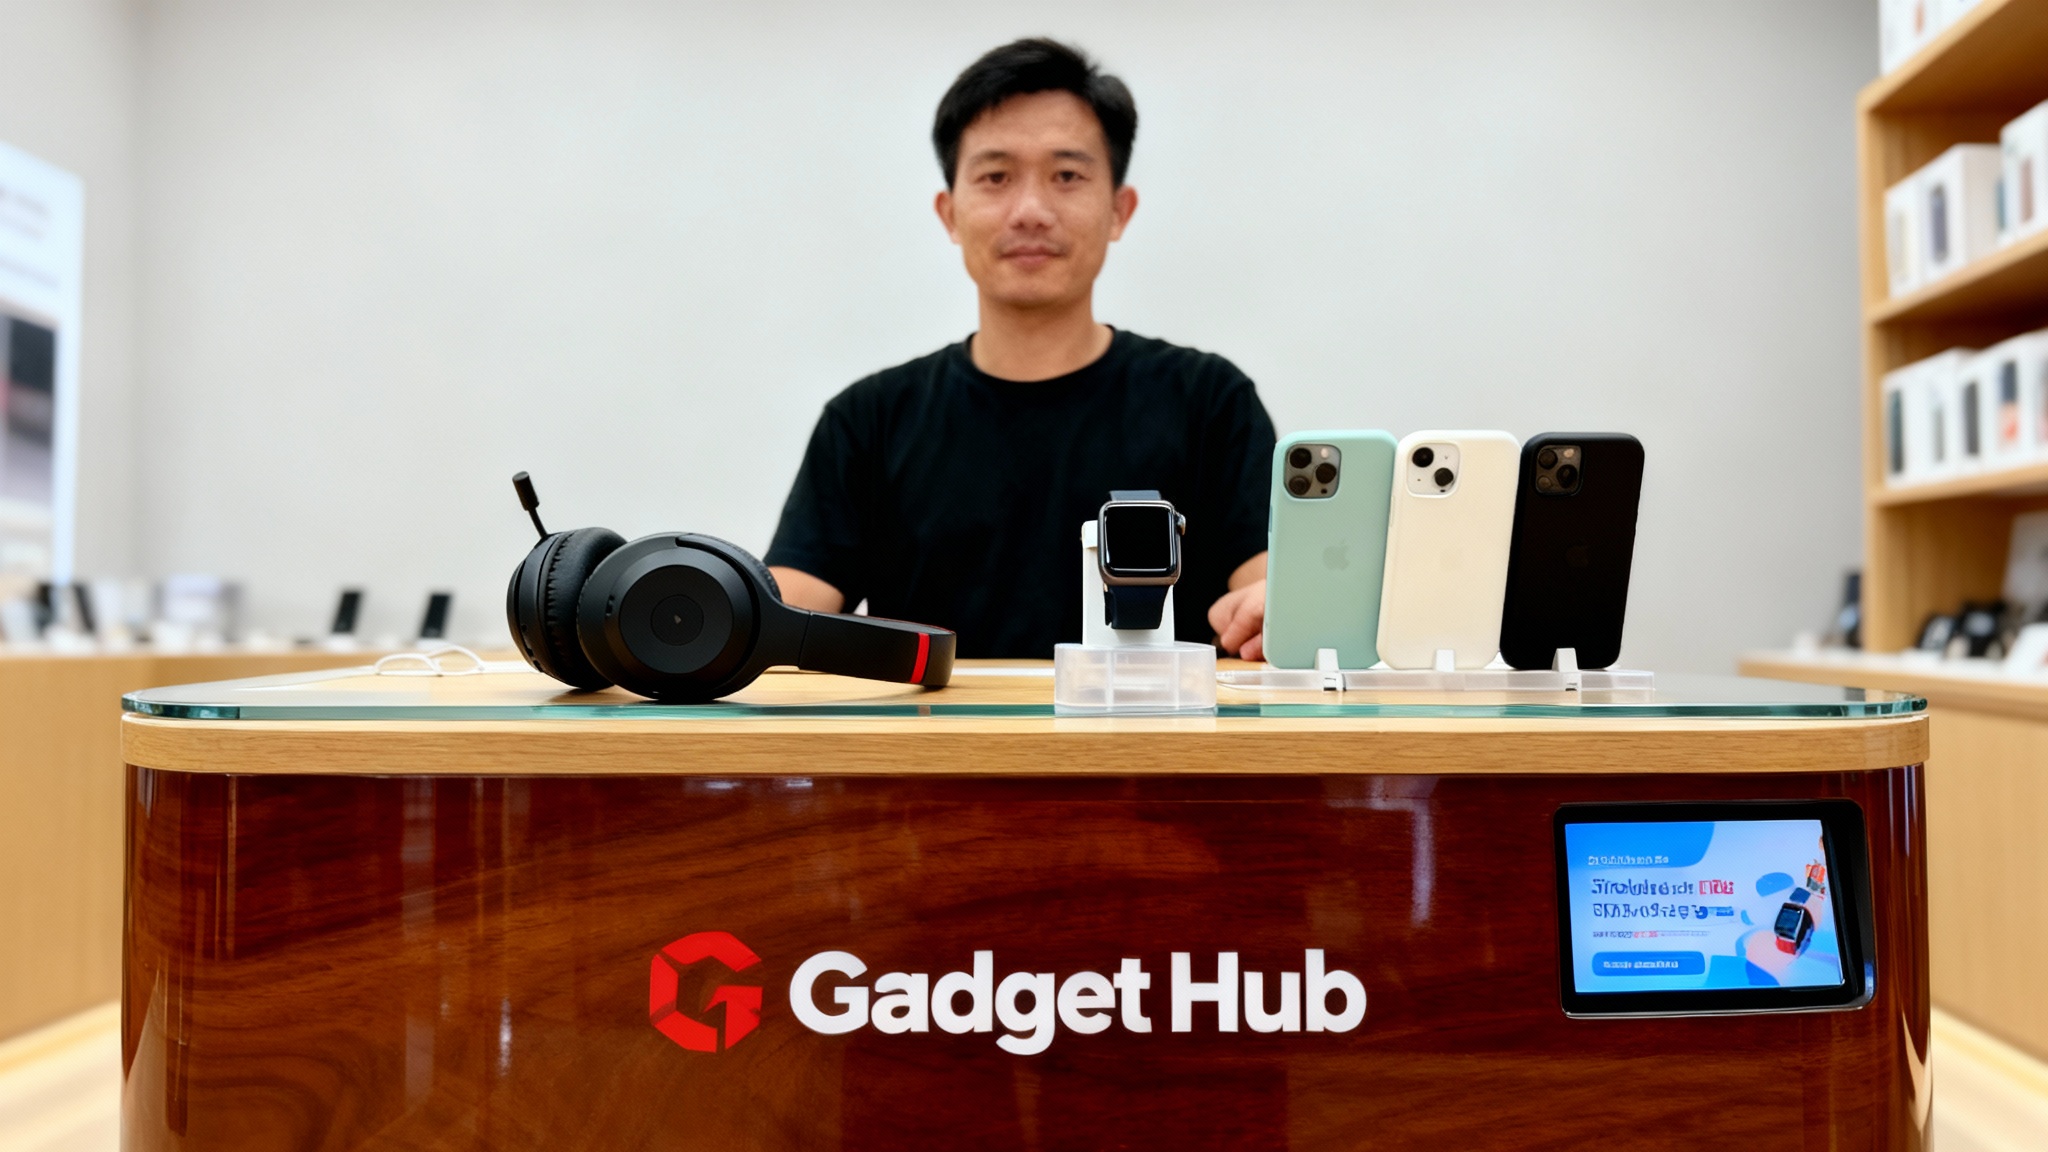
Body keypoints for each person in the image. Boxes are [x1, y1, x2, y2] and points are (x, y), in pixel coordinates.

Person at [765, 37, 1275, 659]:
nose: (1030, 210)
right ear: (949, 213)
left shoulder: (1209, 402)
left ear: (1119, 210)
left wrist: (1275, 611)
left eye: (1066, 175)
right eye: (996, 176)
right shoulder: (869, 420)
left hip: (1154, 751)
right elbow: (782, 620)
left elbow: (1271, 594)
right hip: (932, 754)